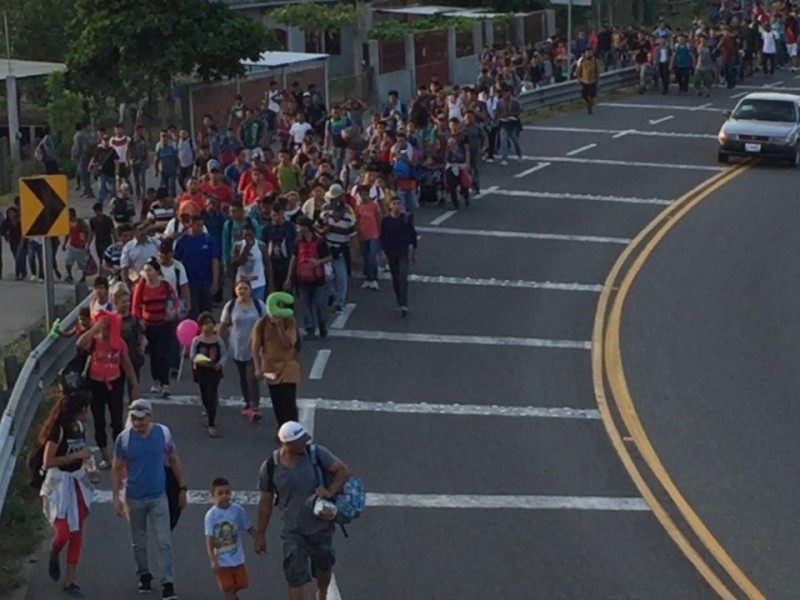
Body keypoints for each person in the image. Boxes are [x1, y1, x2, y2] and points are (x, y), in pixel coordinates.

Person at [256, 421, 350, 600]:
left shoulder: (316, 453)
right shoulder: (270, 467)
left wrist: (330, 491)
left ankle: (321, 594)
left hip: (321, 528)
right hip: (292, 531)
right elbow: (265, 502)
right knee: (295, 578)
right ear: (287, 444)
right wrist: (260, 535)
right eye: (300, 441)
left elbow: (342, 470)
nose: (305, 443)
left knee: (323, 571)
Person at [111, 399, 186, 599]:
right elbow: (116, 468)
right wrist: (116, 498)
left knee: (164, 541)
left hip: (158, 495)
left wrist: (182, 488)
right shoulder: (124, 439)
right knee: (138, 542)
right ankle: (144, 575)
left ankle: (167, 583)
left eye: (141, 419)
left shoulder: (163, 433)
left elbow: (174, 459)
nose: (138, 423)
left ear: (150, 417)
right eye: (134, 419)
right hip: (133, 497)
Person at [37, 390, 94, 598]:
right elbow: (48, 461)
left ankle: (70, 582)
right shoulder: (59, 429)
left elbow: (83, 454)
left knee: (77, 533)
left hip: (77, 482)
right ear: (80, 410)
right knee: (64, 532)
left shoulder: (79, 427)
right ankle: (55, 550)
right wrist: (76, 456)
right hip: (59, 484)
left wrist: (89, 466)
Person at [77, 310, 140, 469]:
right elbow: (79, 343)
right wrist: (95, 328)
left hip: (114, 384)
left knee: (117, 422)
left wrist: (134, 385)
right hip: (95, 385)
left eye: (107, 327)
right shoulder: (92, 341)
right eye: (102, 328)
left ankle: (118, 455)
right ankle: (105, 456)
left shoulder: (119, 343)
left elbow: (126, 364)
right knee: (99, 422)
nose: (104, 331)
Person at [131, 257, 179, 398]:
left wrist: (173, 311)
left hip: (163, 324)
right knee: (153, 355)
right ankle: (156, 380)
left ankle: (165, 384)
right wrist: (138, 322)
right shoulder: (140, 287)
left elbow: (174, 300)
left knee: (162, 353)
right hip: (147, 325)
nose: (147, 273)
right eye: (145, 270)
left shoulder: (165, 285)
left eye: (150, 270)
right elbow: (135, 307)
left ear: (157, 271)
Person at [251, 296, 301, 426]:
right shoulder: (261, 323)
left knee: (289, 400)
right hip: (269, 366)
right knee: (277, 400)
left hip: (288, 365)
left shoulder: (290, 322)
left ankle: (294, 429)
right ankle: (282, 429)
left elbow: (288, 344)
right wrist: (257, 368)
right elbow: (255, 347)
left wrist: (279, 327)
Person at [220, 281, 265, 423]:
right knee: (243, 377)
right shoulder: (231, 306)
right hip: (237, 346)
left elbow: (267, 322)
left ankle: (255, 406)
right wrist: (219, 342)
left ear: (251, 290)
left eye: (245, 288)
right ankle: (247, 402)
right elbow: (224, 324)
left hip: (254, 347)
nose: (242, 291)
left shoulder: (258, 305)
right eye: (240, 288)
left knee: (252, 377)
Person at [205, 477, 257, 600]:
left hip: (237, 558)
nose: (225, 496)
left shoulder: (237, 510)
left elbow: (248, 526)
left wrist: (258, 538)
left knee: (242, 583)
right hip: (222, 561)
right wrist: (213, 559)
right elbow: (209, 539)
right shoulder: (211, 516)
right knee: (228, 588)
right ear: (213, 495)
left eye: (227, 492)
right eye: (220, 493)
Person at [284, 216, 331, 340]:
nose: (298, 229)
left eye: (300, 226)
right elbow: (294, 259)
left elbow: (329, 257)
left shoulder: (320, 242)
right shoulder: (298, 242)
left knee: (320, 304)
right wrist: (289, 278)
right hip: (302, 279)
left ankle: (322, 324)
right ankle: (309, 328)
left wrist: (318, 262)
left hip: (318, 279)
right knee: (305, 305)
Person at [174, 215, 221, 319]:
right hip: (189, 283)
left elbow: (215, 261)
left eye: (202, 226)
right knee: (193, 312)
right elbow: (176, 262)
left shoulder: (209, 240)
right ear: (191, 225)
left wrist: (215, 281)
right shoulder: (182, 241)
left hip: (205, 282)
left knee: (206, 313)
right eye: (198, 225)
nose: (200, 228)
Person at [190, 312, 228, 438]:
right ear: (200, 326)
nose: (209, 326)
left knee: (211, 394)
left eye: (211, 323)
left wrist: (220, 364)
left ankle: (211, 423)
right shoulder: (197, 340)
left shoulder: (218, 340)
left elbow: (224, 355)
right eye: (206, 324)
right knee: (204, 393)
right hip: (201, 371)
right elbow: (192, 355)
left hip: (214, 372)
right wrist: (202, 361)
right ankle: (207, 408)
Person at [380, 198, 419, 317]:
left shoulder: (405, 219)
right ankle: (399, 298)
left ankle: (404, 303)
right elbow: (382, 237)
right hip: (390, 252)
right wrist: (382, 252)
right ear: (390, 206)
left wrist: (414, 251)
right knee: (395, 277)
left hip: (403, 251)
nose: (397, 206)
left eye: (398, 204)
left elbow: (413, 235)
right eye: (394, 204)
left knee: (403, 276)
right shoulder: (386, 220)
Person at [230, 223, 269, 302]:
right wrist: (246, 248)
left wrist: (270, 284)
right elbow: (235, 264)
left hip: (258, 283)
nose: (248, 237)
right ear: (242, 236)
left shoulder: (261, 246)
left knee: (258, 306)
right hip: (242, 284)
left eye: (250, 235)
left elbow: (268, 264)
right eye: (246, 235)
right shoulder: (237, 246)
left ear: (254, 235)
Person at [63, 208, 91, 284]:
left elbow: (87, 233)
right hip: (72, 246)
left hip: (80, 247)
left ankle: (83, 277)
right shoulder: (68, 223)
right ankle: (70, 276)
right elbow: (67, 234)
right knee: (67, 262)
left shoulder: (81, 223)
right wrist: (64, 243)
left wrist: (86, 243)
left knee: (82, 264)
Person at [575, 47, 602, 114]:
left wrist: (597, 80)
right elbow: (578, 70)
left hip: (592, 80)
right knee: (584, 94)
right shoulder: (581, 60)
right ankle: (588, 102)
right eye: (588, 52)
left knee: (591, 95)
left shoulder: (595, 61)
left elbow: (597, 71)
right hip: (584, 80)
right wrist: (578, 79)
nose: (589, 54)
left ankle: (590, 106)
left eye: (591, 52)